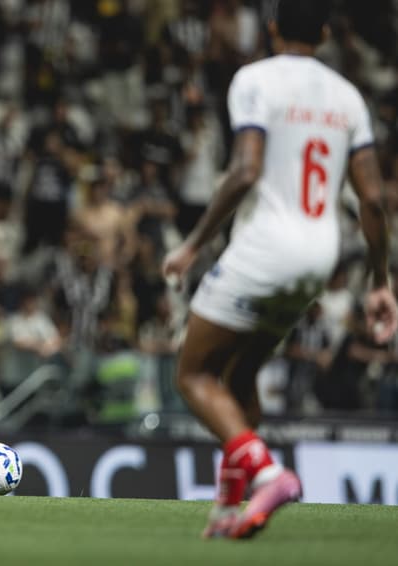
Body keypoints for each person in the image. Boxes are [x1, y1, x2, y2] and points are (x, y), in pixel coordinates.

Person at [162, 0, 398, 539]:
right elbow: (374, 200)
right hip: (320, 256)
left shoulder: (255, 80)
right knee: (240, 376)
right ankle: (229, 506)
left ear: (271, 29)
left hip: (266, 248)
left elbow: (246, 169)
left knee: (194, 375)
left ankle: (269, 474)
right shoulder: (348, 97)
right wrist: (380, 283)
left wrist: (194, 244)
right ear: (325, 33)